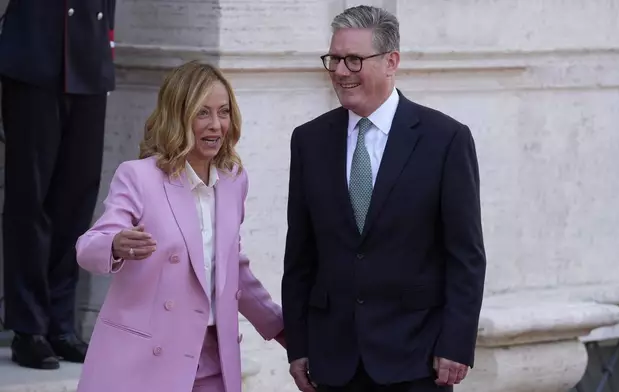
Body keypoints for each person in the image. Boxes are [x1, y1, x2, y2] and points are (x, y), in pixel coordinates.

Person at [281, 5, 486, 392]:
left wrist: (456, 343)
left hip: (417, 357)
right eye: (335, 59)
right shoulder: (308, 140)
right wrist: (299, 344)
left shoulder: (445, 139)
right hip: (333, 359)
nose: (340, 72)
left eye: (354, 60)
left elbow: (466, 255)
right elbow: (300, 255)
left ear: (391, 61)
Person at [75, 61, 285, 392]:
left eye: (224, 112)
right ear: (179, 116)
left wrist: (281, 328)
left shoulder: (233, 181)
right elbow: (89, 246)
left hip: (215, 361)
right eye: (203, 113)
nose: (216, 124)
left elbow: (232, 271)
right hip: (146, 362)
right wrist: (115, 244)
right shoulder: (139, 177)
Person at [0, 0, 116, 369]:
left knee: (76, 198)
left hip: (89, 57)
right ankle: (27, 327)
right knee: (30, 199)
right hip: (34, 56)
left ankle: (59, 324)